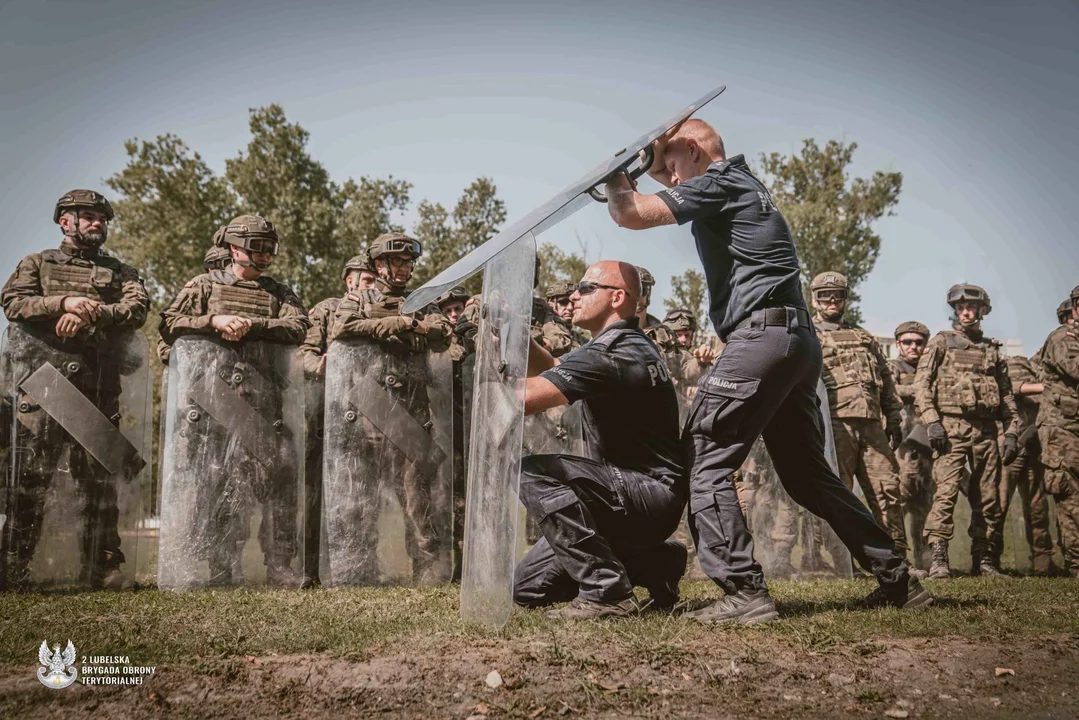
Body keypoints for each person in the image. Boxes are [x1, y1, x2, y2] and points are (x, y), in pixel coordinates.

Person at [602, 118, 927, 622]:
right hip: (793, 342)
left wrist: (616, 175)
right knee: (806, 474)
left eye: (671, 166)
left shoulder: (720, 181)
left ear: (692, 149)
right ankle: (898, 580)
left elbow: (630, 214)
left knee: (706, 454)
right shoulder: (745, 184)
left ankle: (743, 591)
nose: (670, 181)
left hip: (761, 338)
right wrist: (646, 170)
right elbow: (658, 197)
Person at [513, 261, 688, 619]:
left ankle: (607, 591)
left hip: (644, 493)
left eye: (586, 288)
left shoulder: (614, 352)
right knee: (527, 589)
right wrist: (513, 332)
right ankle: (658, 562)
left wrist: (486, 383)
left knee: (530, 473)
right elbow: (550, 365)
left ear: (617, 297)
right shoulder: (620, 344)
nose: (574, 296)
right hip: (628, 498)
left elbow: (526, 399)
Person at [1, 189, 150, 590]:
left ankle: (103, 568)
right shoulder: (36, 263)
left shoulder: (122, 273)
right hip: (42, 389)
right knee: (30, 481)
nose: (96, 222)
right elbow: (13, 302)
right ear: (64, 221)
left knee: (99, 485)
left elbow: (136, 310)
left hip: (99, 390)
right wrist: (63, 303)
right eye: (87, 216)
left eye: (101, 217)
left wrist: (91, 313)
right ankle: (12, 568)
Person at [159, 214, 309, 586]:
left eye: (269, 248)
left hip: (264, 408)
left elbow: (298, 327)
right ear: (234, 248)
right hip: (214, 408)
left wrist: (252, 325)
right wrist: (214, 321)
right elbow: (169, 323)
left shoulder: (279, 293)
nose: (265, 256)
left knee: (280, 488)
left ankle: (279, 567)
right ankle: (221, 569)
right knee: (217, 491)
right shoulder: (204, 286)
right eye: (257, 247)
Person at [322, 232, 455, 584]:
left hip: (413, 408)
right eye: (397, 261)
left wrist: (416, 324)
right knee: (359, 495)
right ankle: (359, 567)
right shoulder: (360, 298)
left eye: (408, 262)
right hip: (368, 407)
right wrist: (395, 324)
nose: (403, 268)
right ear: (378, 264)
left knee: (417, 497)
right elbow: (341, 327)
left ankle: (427, 567)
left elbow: (442, 332)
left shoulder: (422, 300)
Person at [913, 284, 1019, 578]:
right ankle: (939, 560)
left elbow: (1006, 395)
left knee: (988, 497)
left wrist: (1011, 433)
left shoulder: (992, 350)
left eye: (972, 307)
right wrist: (933, 421)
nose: (966, 312)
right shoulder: (942, 343)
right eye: (961, 308)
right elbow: (921, 385)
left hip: (986, 431)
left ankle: (984, 560)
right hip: (951, 428)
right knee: (945, 493)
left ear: (983, 311)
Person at [809, 272, 911, 566]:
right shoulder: (808, 335)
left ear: (845, 299)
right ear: (815, 299)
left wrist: (893, 419)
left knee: (887, 490)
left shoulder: (864, 337)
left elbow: (887, 383)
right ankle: (840, 561)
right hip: (833, 424)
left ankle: (896, 559)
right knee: (836, 494)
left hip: (872, 425)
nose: (831, 300)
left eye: (837, 295)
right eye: (825, 295)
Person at [296, 254, 378, 587]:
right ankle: (310, 570)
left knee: (364, 494)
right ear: (350, 280)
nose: (374, 285)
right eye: (368, 279)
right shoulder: (327, 310)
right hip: (326, 414)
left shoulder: (384, 308)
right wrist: (323, 365)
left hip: (370, 413)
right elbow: (303, 353)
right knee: (317, 494)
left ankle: (360, 565)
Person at [991, 354, 1057, 575]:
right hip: (1010, 448)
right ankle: (989, 561)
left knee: (1038, 508)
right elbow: (1014, 386)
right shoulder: (1015, 363)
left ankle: (1043, 563)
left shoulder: (1039, 367)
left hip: (1032, 447)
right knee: (998, 506)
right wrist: (1046, 387)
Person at [1034, 284, 1079, 577]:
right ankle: (1077, 562)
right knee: (1071, 494)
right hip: (1062, 429)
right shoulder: (1063, 338)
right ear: (1075, 309)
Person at [890, 321, 934, 571]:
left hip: (930, 446)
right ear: (898, 344)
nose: (913, 347)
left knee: (925, 504)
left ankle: (926, 559)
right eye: (907, 342)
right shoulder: (893, 367)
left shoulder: (931, 368)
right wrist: (924, 391)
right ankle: (900, 560)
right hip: (903, 447)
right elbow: (891, 389)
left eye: (918, 342)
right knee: (900, 501)